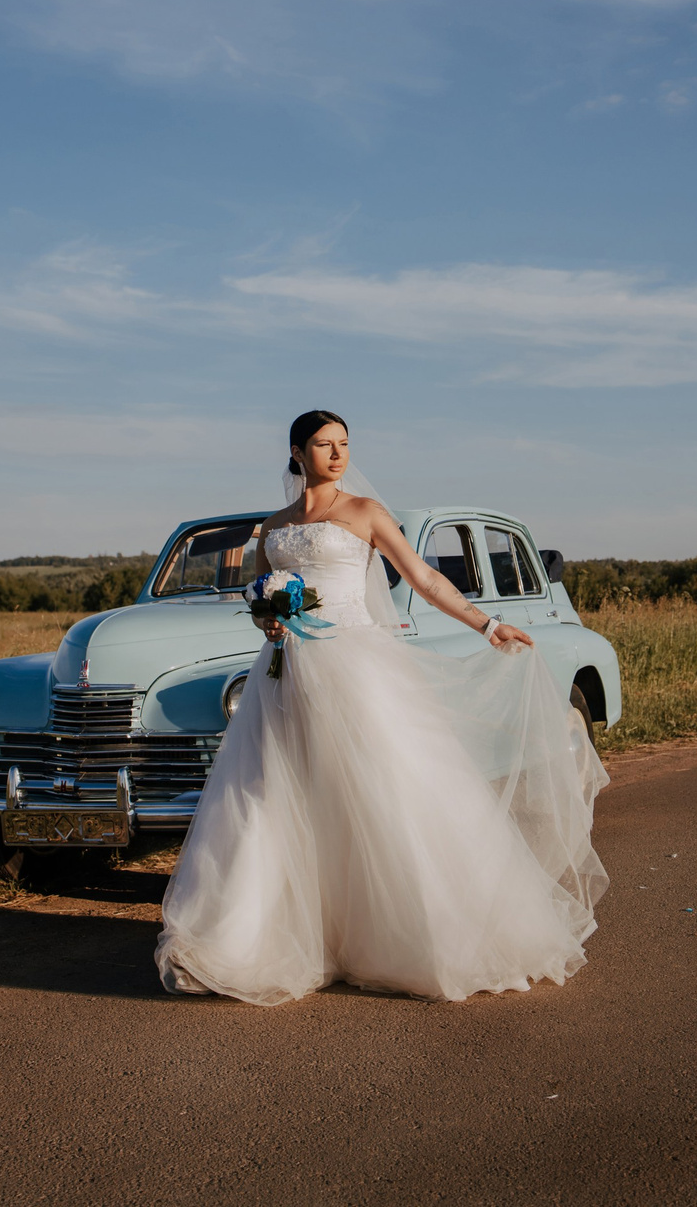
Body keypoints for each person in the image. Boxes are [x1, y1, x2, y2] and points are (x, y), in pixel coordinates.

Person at [155, 410, 609, 1005]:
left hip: (355, 664)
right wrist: (268, 619)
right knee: (278, 794)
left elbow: (422, 577)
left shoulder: (366, 512)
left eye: (345, 444)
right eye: (325, 445)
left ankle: (412, 934)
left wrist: (488, 623)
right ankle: (262, 938)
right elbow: (260, 597)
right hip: (286, 674)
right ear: (298, 453)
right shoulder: (272, 528)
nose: (338, 454)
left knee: (385, 785)